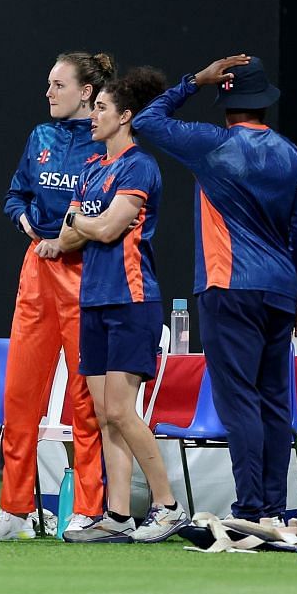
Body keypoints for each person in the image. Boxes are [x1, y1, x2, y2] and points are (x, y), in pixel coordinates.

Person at [134, 54, 297, 537]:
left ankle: (252, 509)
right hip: (280, 289)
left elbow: (148, 119)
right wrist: (295, 294)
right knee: (275, 401)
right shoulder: (291, 155)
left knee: (239, 402)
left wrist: (193, 80)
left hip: (228, 285)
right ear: (264, 105)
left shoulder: (211, 145)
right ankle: (274, 508)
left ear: (227, 103)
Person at [0, 52, 113, 542]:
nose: (48, 93)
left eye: (58, 85)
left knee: (85, 399)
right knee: (20, 395)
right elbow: (15, 195)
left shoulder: (107, 144)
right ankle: (13, 511)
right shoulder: (40, 137)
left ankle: (88, 509)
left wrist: (73, 233)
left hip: (86, 274)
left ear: (85, 92)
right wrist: (25, 221)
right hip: (37, 272)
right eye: (49, 84)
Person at [53, 68, 186, 543]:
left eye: (103, 108)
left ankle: (168, 506)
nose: (93, 116)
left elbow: (105, 229)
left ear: (126, 117)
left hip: (132, 300)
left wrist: (82, 220)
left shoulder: (138, 166)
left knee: (123, 411)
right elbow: (71, 235)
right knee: (104, 413)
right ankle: (118, 515)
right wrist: (87, 222)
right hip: (93, 301)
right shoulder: (91, 169)